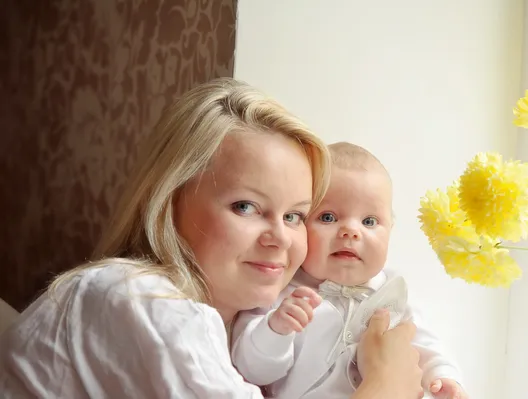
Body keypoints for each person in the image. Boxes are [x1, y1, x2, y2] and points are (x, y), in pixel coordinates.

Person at [0, 78, 424, 399]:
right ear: (168, 202)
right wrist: (387, 385)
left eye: (295, 215)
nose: (280, 237)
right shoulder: (140, 298)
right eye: (246, 207)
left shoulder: (231, 336)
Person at [232, 142, 468, 399]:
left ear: (391, 229)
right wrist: (276, 330)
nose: (351, 231)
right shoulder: (280, 293)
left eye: (369, 221)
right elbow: (251, 371)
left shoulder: (393, 293)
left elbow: (425, 346)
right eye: (328, 217)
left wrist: (444, 377)